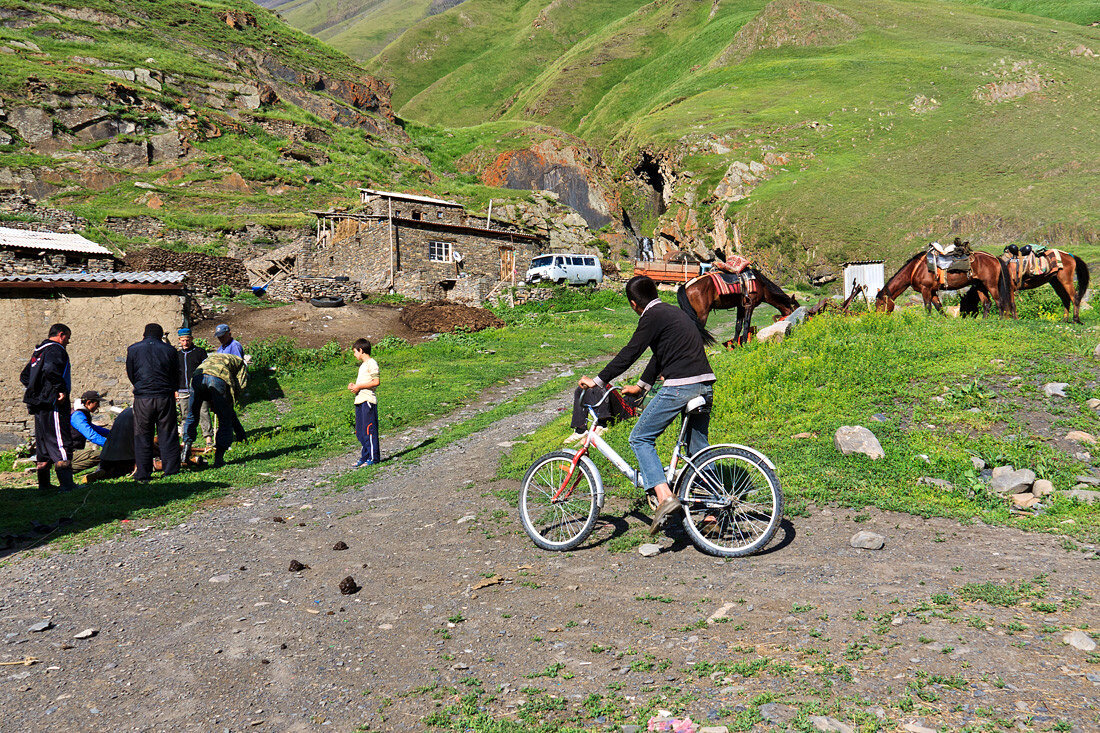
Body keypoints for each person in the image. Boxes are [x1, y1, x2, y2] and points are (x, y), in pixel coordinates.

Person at [578, 275, 716, 534]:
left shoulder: (651, 317)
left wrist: (597, 381)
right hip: (705, 384)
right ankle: (712, 512)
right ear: (653, 292)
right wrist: (642, 386)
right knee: (699, 448)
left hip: (681, 387)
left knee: (640, 437)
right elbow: (660, 354)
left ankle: (664, 497)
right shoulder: (672, 313)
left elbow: (631, 352)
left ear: (633, 304)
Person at [20, 323, 77, 492]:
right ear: (61, 334)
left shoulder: (39, 352)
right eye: (67, 337)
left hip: (39, 405)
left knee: (43, 444)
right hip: (53, 404)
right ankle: (67, 485)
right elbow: (51, 369)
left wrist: (37, 390)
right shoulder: (56, 349)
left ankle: (44, 485)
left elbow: (24, 377)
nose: (68, 342)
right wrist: (58, 390)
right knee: (60, 441)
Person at [126, 323, 181, 481]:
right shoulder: (169, 350)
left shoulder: (133, 349)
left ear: (144, 334)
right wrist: (172, 388)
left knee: (143, 434)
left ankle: (143, 473)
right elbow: (175, 373)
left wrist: (141, 386)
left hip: (143, 397)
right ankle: (171, 469)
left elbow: (131, 373)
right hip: (165, 396)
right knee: (168, 433)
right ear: (161, 335)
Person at [182, 352, 248, 468]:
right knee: (224, 419)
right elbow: (241, 384)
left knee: (192, 415)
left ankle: (186, 448)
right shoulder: (240, 363)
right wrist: (231, 400)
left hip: (198, 377)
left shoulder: (212, 357)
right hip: (217, 377)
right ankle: (219, 458)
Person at [175, 327, 212, 452]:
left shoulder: (200, 352)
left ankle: (208, 438)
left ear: (191, 339)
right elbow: (174, 373)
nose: (185, 343)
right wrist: (175, 390)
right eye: (183, 340)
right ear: (179, 340)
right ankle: (186, 440)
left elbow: (207, 369)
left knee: (203, 412)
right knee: (185, 415)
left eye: (187, 340)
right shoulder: (177, 355)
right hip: (182, 389)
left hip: (199, 388)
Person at [348, 338, 380, 467]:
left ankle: (373, 457)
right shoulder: (362, 366)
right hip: (359, 400)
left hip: (368, 400)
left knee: (369, 430)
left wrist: (359, 387)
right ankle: (365, 456)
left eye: (355, 352)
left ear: (361, 350)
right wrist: (354, 387)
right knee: (360, 432)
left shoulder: (372, 363)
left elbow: (376, 382)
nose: (354, 354)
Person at [70, 390, 110, 473]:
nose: (98, 406)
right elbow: (91, 435)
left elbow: (94, 428)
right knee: (104, 454)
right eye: (97, 403)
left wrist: (113, 433)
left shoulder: (82, 413)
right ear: (88, 402)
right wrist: (110, 445)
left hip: (73, 453)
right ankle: (65, 469)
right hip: (69, 454)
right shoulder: (77, 416)